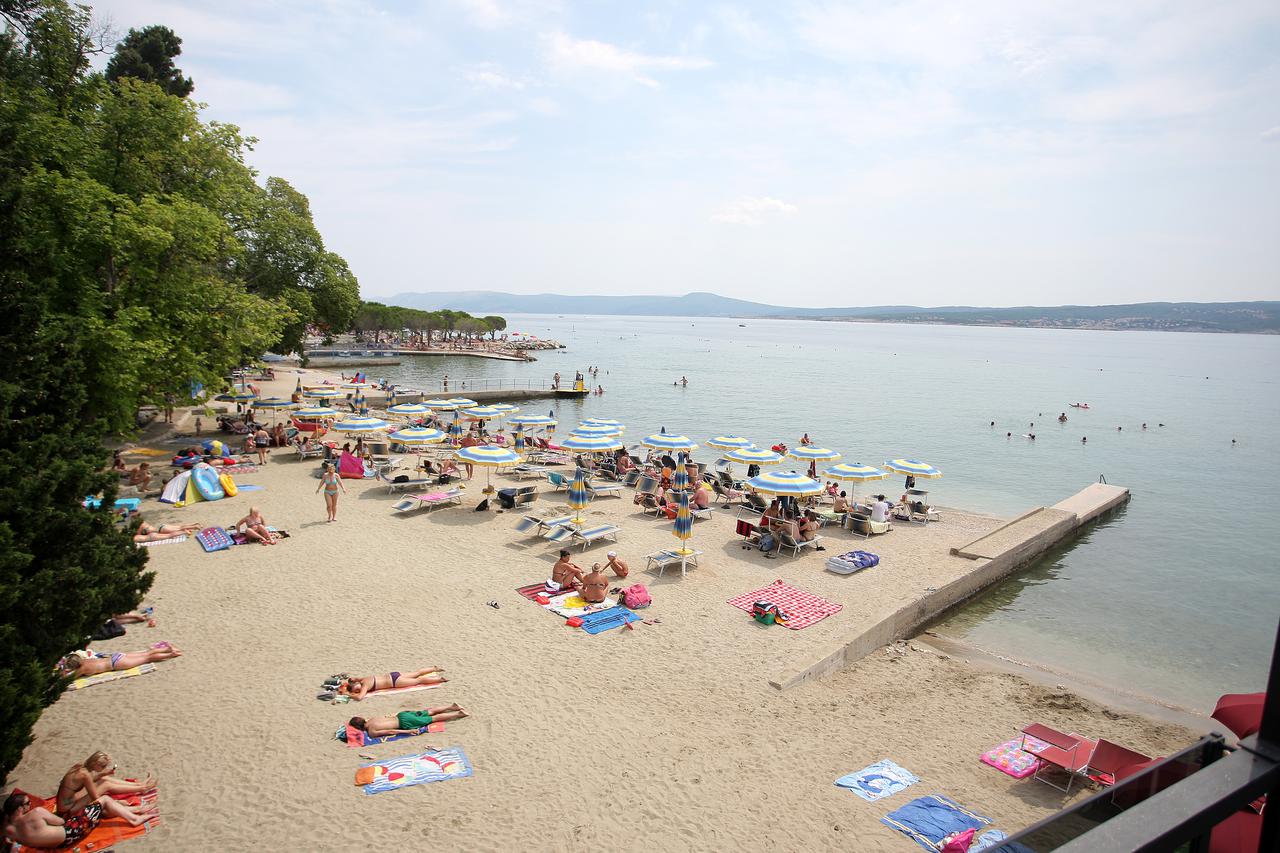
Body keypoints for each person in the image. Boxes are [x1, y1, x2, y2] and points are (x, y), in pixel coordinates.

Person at [3, 791, 157, 849]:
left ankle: (133, 810)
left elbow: (10, 842)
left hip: (55, 845)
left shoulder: (9, 829)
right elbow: (62, 823)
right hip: (71, 833)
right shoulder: (36, 813)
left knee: (98, 811)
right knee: (103, 800)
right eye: (27, 803)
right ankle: (134, 818)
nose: (30, 804)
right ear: (19, 809)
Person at [56, 751, 155, 814]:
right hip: (68, 808)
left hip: (69, 800)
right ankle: (142, 788)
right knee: (106, 784)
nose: (103, 769)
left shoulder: (81, 765)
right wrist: (117, 802)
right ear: (94, 763)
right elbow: (96, 797)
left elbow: (87, 782)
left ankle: (139, 785)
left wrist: (102, 774)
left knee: (104, 779)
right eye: (102, 767)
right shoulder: (85, 774)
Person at [58, 643, 182, 678]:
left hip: (116, 663)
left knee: (147, 658)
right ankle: (167, 648)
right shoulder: (85, 661)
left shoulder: (82, 669)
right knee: (146, 653)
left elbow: (67, 679)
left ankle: (171, 654)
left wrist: (62, 672)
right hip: (115, 657)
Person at [348, 704, 469, 737]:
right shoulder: (372, 719)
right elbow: (389, 716)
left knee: (433, 718)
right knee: (429, 711)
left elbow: (390, 731)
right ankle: (451, 706)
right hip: (401, 715)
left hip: (404, 723)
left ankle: (458, 714)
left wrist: (407, 732)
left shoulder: (371, 731)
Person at [338, 668, 448, 700]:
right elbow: (353, 678)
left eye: (356, 690)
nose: (357, 691)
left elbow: (360, 698)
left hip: (395, 682)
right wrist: (348, 683)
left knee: (418, 681)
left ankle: (440, 679)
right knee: (417, 673)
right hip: (393, 675)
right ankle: (434, 668)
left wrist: (347, 694)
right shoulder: (363, 679)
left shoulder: (364, 685)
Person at [132, 520, 200, 543]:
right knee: (180, 527)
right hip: (160, 527)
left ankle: (192, 528)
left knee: (171, 534)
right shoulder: (143, 522)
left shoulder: (136, 535)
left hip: (158, 532)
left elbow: (138, 534)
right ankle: (193, 525)